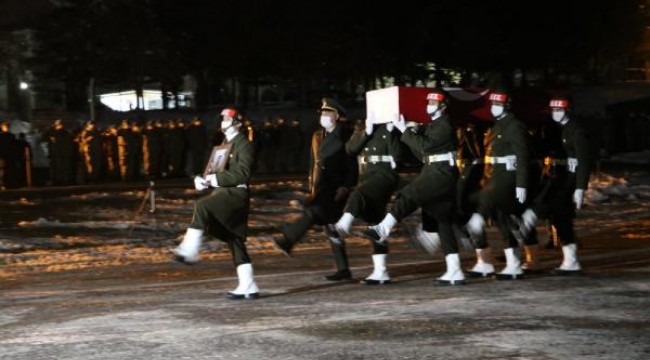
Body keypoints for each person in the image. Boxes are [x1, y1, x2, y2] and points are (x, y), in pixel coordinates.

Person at [364, 89, 464, 286]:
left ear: (443, 107)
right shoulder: (433, 125)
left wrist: (405, 130)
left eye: (434, 103)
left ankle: (384, 228)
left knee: (409, 193)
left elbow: (425, 146)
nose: (430, 106)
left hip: (442, 173)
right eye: (429, 102)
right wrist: (411, 129)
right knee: (443, 220)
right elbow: (422, 153)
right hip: (434, 170)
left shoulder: (444, 124)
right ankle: (455, 270)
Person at [171, 106, 259, 300]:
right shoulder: (223, 146)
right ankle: (249, 284)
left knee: (202, 206)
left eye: (227, 119)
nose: (223, 123)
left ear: (237, 123)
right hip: (222, 194)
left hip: (236, 195)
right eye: (222, 119)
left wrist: (212, 180)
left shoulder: (245, 144)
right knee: (234, 239)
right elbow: (211, 173)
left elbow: (241, 174)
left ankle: (190, 249)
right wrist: (200, 179)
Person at [273, 98, 358, 281]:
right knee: (332, 227)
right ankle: (344, 269)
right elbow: (315, 164)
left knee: (315, 212)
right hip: (321, 186)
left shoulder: (345, 135)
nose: (324, 116)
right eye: (323, 113)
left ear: (336, 116)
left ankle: (288, 239)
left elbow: (352, 164)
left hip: (336, 187)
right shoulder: (318, 136)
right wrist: (312, 186)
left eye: (328, 114)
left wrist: (346, 185)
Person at [517, 96, 590, 275]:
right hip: (555, 174)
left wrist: (581, 187)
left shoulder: (575, 130)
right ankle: (571, 261)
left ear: (568, 111)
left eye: (559, 110)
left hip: (568, 177)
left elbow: (584, 160)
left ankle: (528, 222)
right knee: (561, 218)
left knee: (547, 205)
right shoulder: (558, 129)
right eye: (554, 111)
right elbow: (546, 149)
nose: (555, 114)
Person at [466, 89, 531, 280]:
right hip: (494, 174)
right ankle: (513, 265)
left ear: (507, 107)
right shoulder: (498, 126)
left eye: (498, 105)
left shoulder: (514, 126)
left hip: (508, 176)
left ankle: (477, 219)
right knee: (503, 221)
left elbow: (523, 156)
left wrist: (521, 183)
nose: (494, 108)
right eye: (493, 104)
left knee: (486, 201)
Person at [330, 113, 402, 285]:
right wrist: (366, 132)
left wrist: (392, 133)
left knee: (358, 195)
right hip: (368, 176)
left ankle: (343, 225)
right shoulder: (363, 125)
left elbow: (398, 157)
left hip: (385, 176)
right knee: (375, 221)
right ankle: (381, 271)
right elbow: (350, 149)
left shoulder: (390, 126)